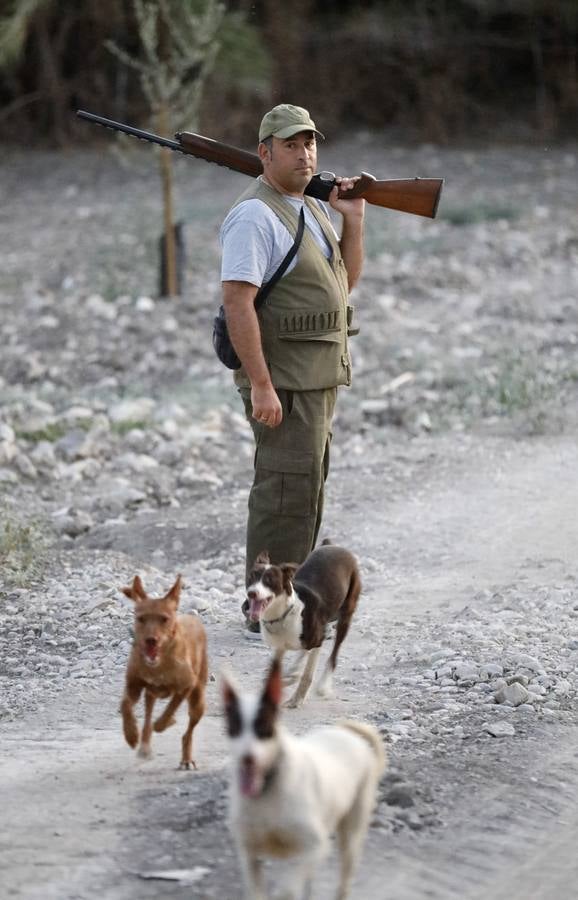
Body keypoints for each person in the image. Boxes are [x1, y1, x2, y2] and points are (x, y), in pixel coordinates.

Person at [219, 103, 365, 632]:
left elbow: (342, 284)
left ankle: (290, 598)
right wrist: (260, 384)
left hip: (316, 380)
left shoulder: (312, 208)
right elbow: (238, 301)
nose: (304, 154)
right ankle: (263, 609)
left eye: (310, 144)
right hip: (282, 382)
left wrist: (355, 219)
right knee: (282, 495)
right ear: (264, 152)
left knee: (305, 492)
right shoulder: (256, 215)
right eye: (291, 145)